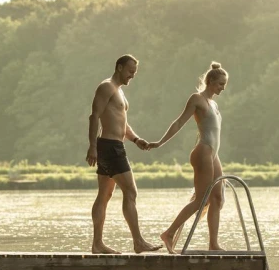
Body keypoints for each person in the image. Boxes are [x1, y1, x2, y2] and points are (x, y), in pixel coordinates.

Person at [148, 61, 229, 253]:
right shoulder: (197, 99)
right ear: (210, 81)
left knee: (217, 198)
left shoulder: (214, 103)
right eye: (220, 84)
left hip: (213, 153)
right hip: (203, 152)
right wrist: (160, 142)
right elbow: (178, 123)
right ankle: (168, 233)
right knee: (201, 200)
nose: (223, 88)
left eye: (224, 84)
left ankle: (213, 244)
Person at [86, 54, 162, 254]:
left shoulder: (119, 92)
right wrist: (92, 146)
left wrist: (136, 140)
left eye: (134, 72)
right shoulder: (106, 87)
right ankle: (138, 242)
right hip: (110, 146)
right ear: (119, 67)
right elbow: (94, 116)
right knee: (131, 192)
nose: (132, 75)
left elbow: (122, 124)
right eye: (130, 71)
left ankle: (97, 244)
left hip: (113, 145)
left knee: (105, 194)